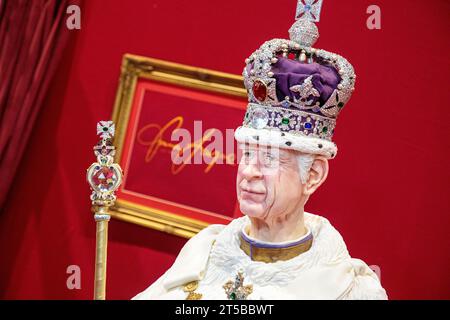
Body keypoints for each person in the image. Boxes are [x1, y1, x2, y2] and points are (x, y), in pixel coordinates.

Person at [133, 0, 387, 300]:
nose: (249, 172)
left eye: (269, 159)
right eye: (248, 154)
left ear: (313, 175)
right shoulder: (203, 252)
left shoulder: (350, 289)